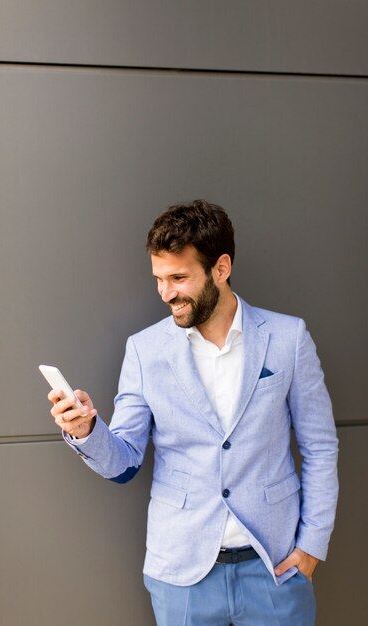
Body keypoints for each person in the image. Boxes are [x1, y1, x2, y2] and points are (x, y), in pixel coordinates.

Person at [48, 199, 338, 626]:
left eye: (179, 278)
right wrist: (88, 428)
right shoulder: (144, 351)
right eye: (159, 279)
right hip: (181, 575)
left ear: (221, 268)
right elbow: (125, 460)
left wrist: (312, 545)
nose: (167, 293)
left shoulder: (287, 338)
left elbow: (320, 447)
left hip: (275, 568)